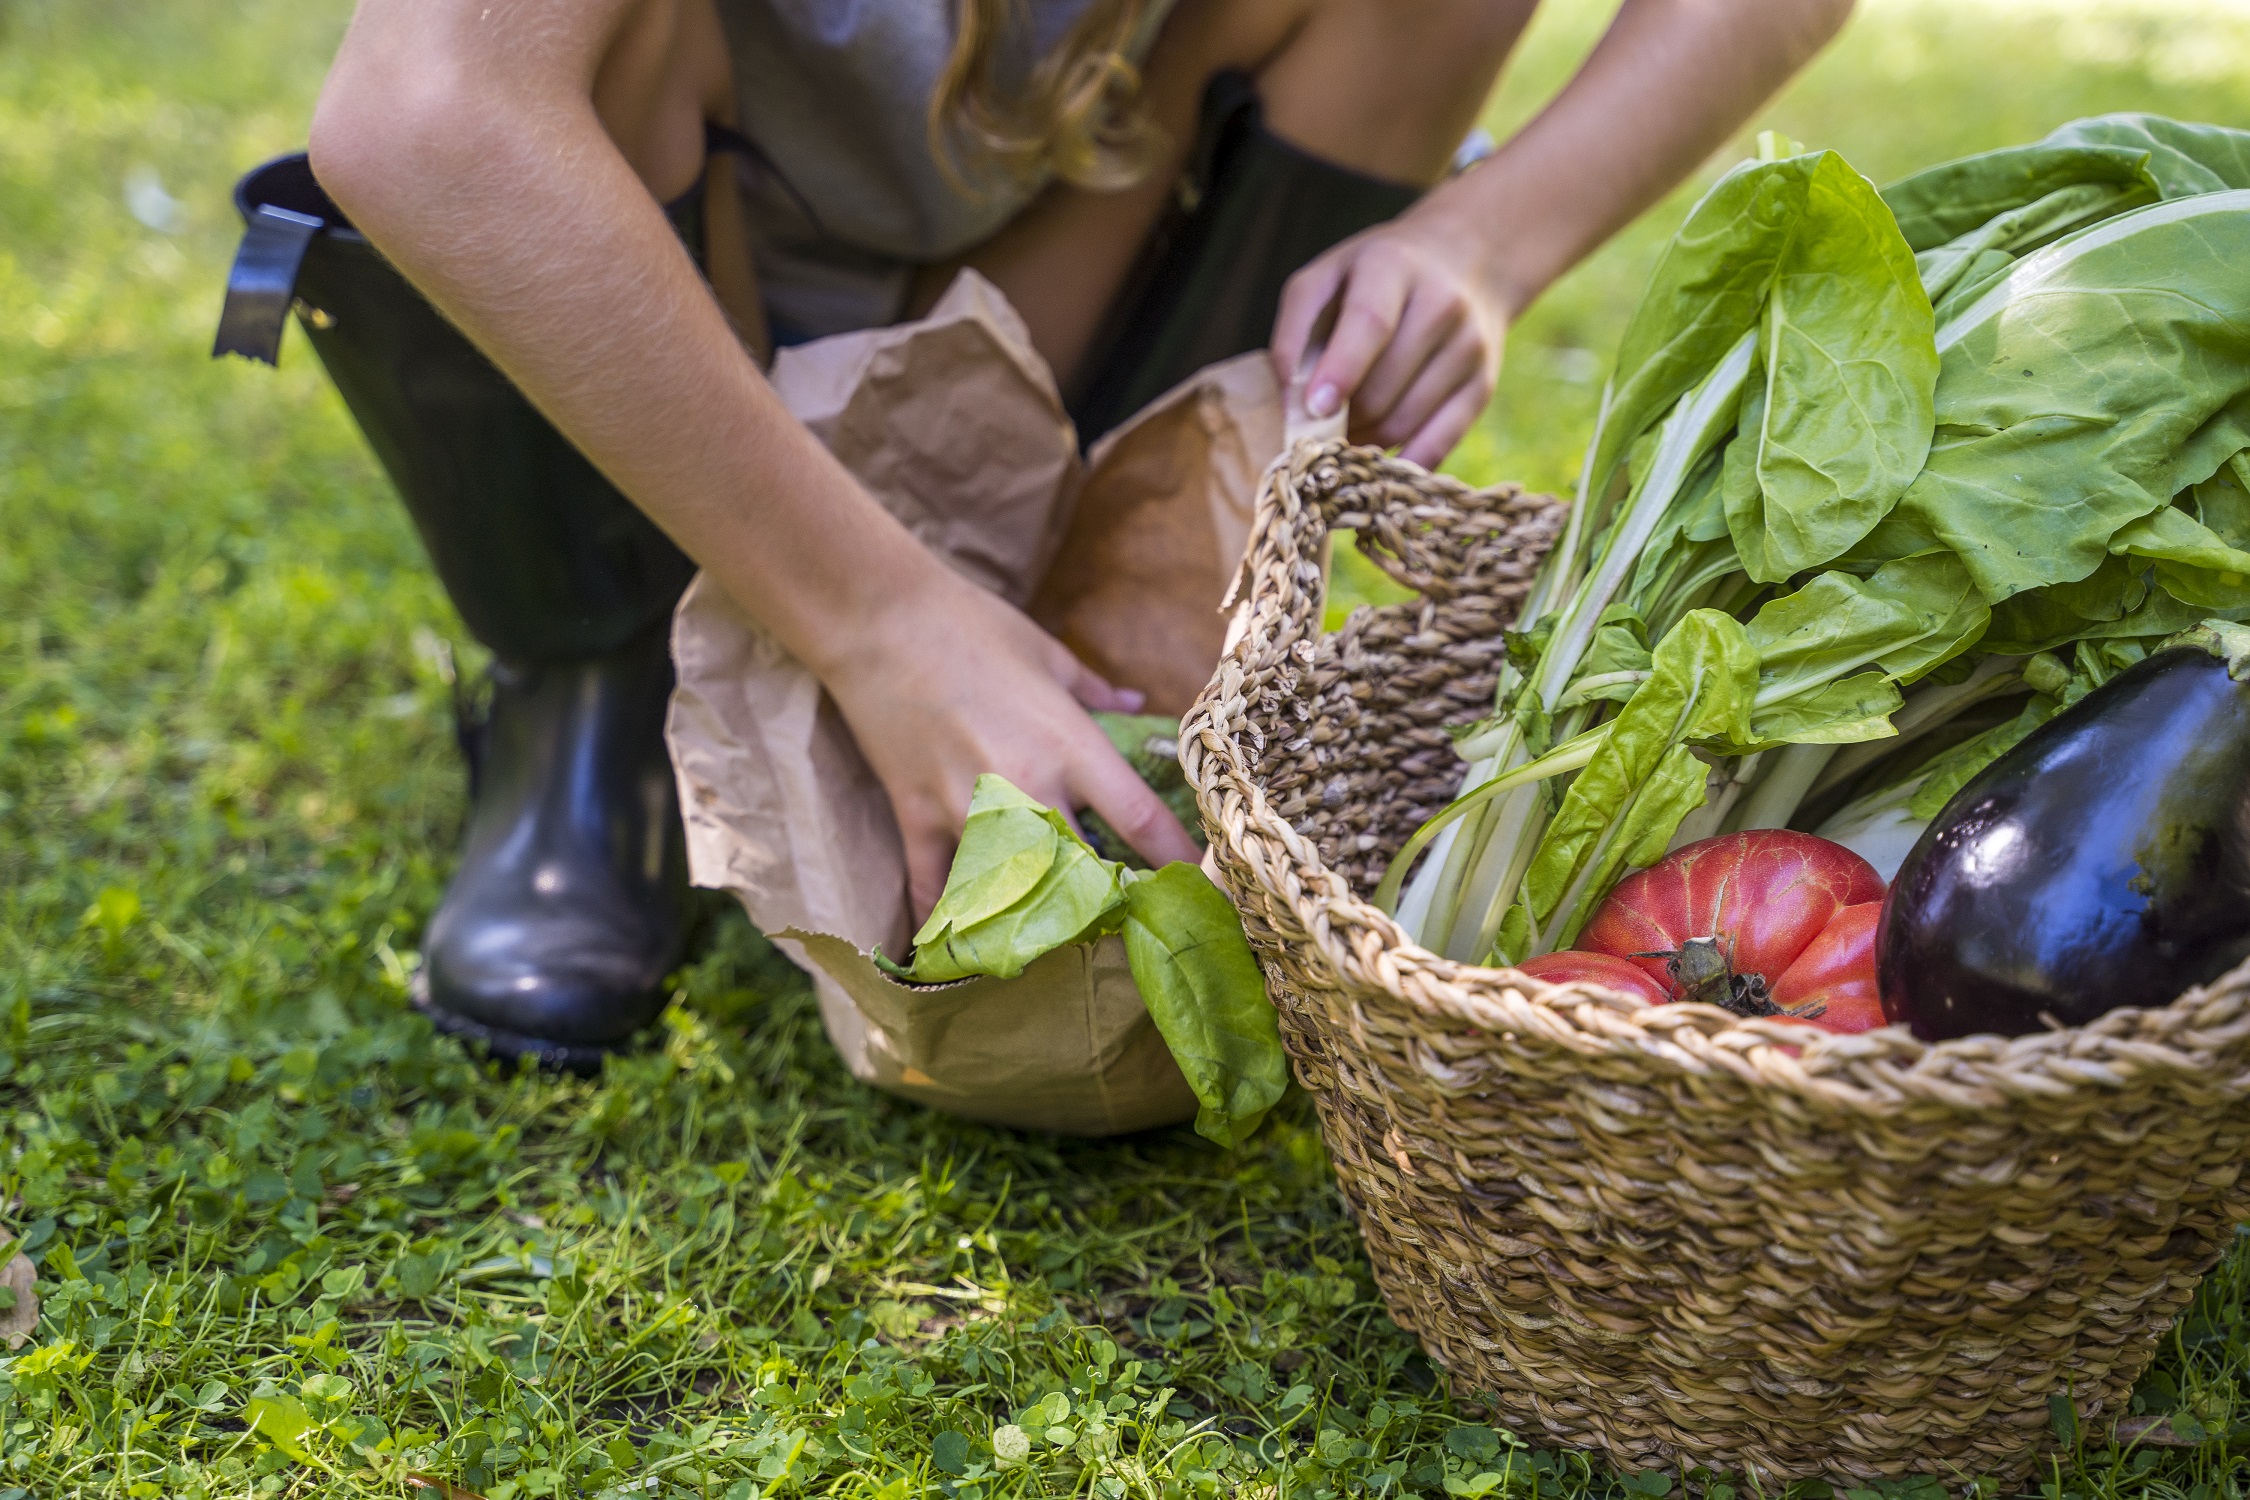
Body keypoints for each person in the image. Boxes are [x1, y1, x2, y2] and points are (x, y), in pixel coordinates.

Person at [218, 0, 1851, 1068]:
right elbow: (427, 117)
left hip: (1029, 245)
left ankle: (1086, 601)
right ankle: (615, 708)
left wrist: (1488, 238)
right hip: (649, 305)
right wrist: (874, 621)